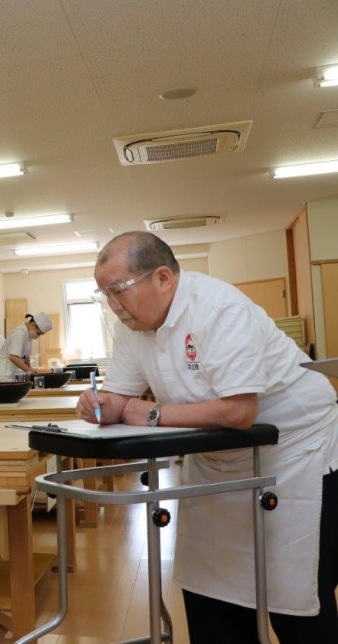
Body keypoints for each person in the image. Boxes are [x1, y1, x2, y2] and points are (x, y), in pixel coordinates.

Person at [76, 231, 338, 643]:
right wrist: (102, 405)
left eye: (118, 290)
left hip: (294, 456)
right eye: (104, 294)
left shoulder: (219, 309)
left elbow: (239, 410)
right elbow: (119, 397)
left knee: (293, 601)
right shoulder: (131, 326)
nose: (113, 306)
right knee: (210, 599)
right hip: (215, 459)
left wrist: (154, 413)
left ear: (163, 277)